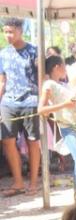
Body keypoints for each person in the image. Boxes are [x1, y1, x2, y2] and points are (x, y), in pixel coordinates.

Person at [0, 17, 41, 197]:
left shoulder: (33, 51)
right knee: (7, 140)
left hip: (30, 101)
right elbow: (2, 80)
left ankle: (33, 183)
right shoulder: (3, 54)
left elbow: (41, 77)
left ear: (20, 31)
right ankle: (18, 182)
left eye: (12, 31)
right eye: (6, 31)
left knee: (32, 141)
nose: (8, 35)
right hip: (8, 102)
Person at [38, 55, 76, 188]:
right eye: (64, 66)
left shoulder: (61, 84)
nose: (65, 69)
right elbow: (41, 109)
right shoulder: (49, 85)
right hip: (67, 126)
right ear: (57, 67)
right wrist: (65, 105)